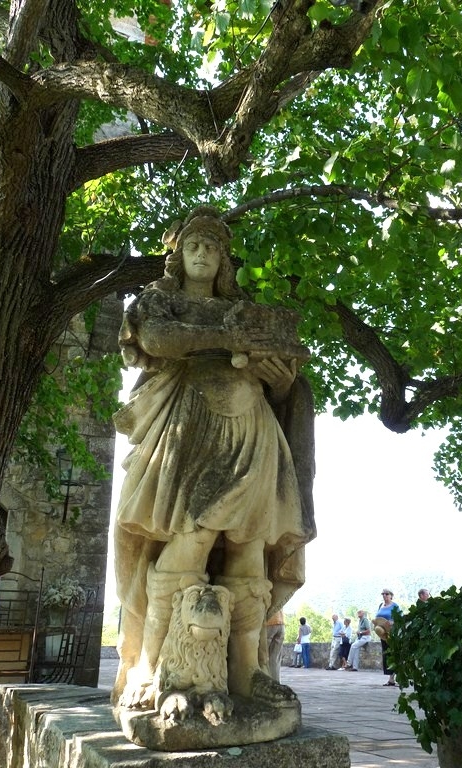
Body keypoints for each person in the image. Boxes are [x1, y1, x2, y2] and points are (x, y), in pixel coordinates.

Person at [111, 206, 316, 710]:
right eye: (193, 245)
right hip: (189, 427)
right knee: (190, 544)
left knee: (249, 553)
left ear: (225, 258)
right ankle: (152, 665)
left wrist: (283, 380)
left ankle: (248, 672)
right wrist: (231, 336)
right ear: (177, 255)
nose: (202, 252)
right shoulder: (160, 302)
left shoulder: (249, 310)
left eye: (212, 246)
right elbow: (160, 340)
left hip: (253, 428)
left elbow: (286, 378)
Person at [375, 589, 401, 686]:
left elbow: (400, 618)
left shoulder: (395, 606)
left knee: (393, 654)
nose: (384, 595)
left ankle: (395, 677)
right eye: (383, 594)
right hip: (382, 634)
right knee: (386, 654)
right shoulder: (380, 606)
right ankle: (390, 678)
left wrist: (392, 622)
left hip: (392, 633)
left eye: (387, 594)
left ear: (391, 595)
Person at [266, 609, 285, 681]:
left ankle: (268, 682)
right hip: (281, 623)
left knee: (264, 656)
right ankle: (276, 682)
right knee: (275, 658)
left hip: (269, 623)